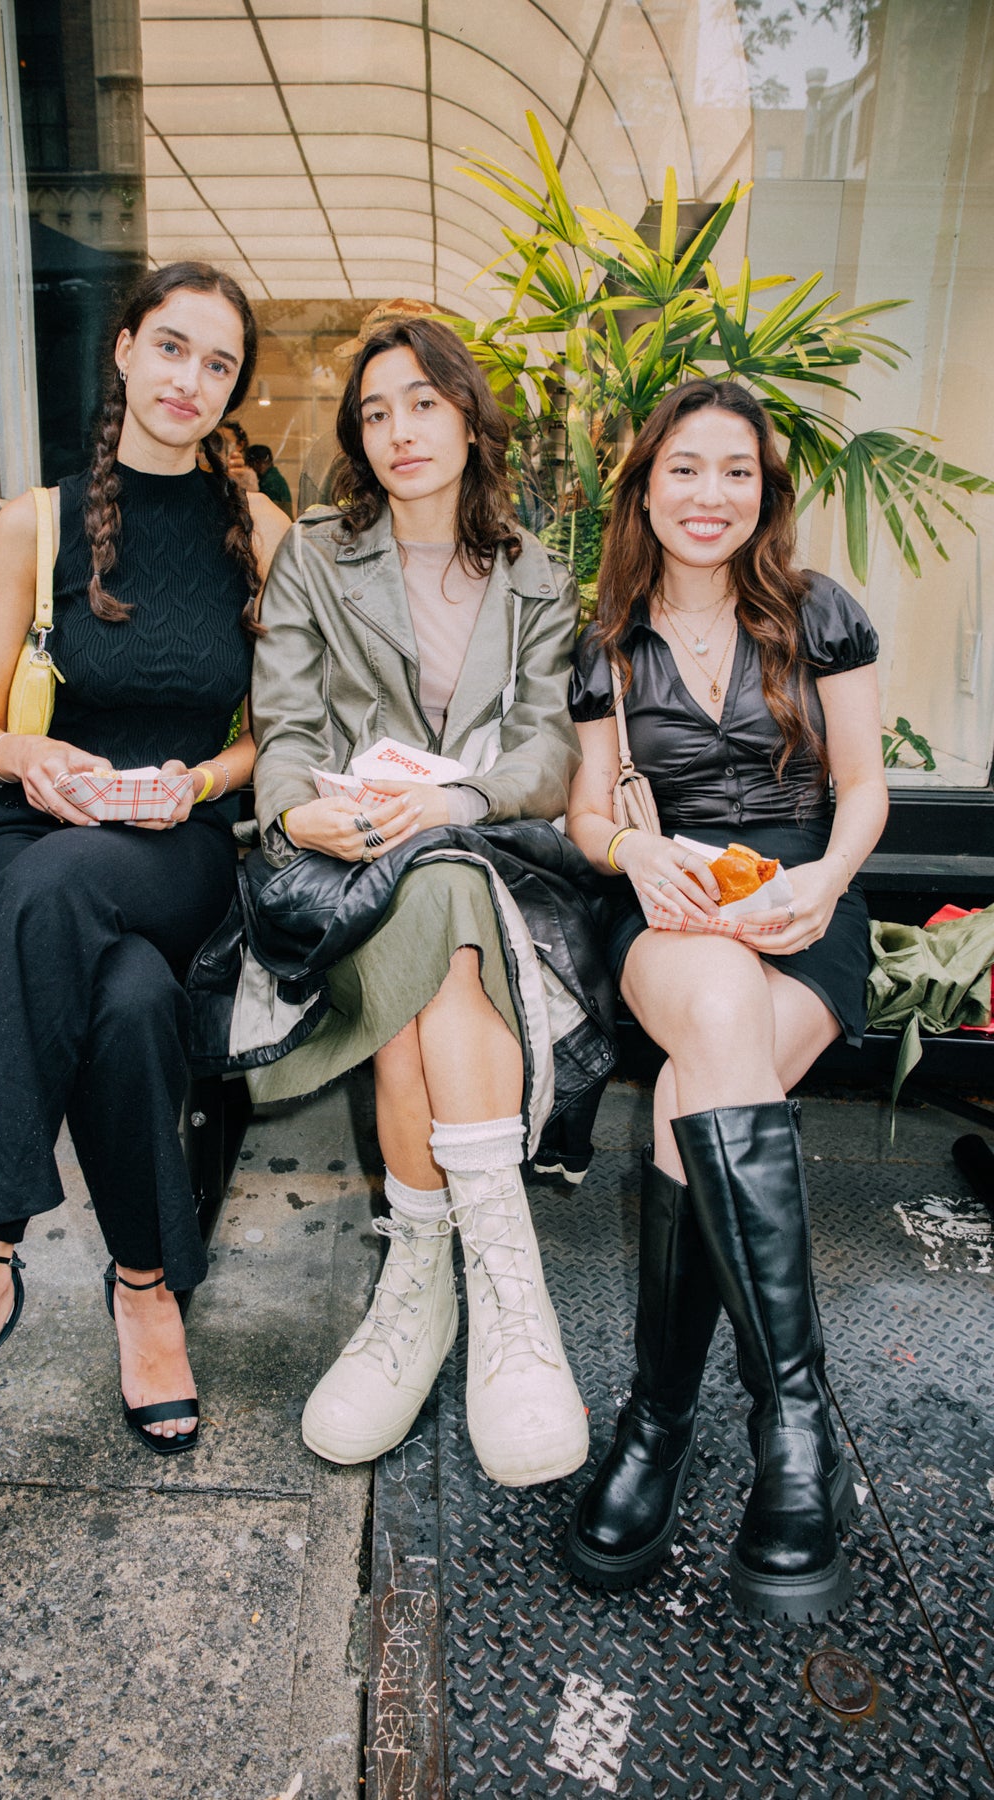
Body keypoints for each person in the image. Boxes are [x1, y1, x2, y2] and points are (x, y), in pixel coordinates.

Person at [0, 261, 289, 1474]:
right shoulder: (35, 522)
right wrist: (33, 757)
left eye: (219, 364)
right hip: (35, 832)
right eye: (172, 347)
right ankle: (145, 1286)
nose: (190, 379)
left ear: (233, 390)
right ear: (126, 351)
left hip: (175, 850)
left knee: (68, 903)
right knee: (130, 1002)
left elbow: (282, 738)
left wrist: (198, 781)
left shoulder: (261, 533)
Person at [242, 316, 611, 1488]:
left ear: (467, 417)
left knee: (444, 889)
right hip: (349, 863)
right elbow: (284, 724)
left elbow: (549, 752)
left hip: (496, 858)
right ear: (358, 437)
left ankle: (428, 1288)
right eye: (375, 412)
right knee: (426, 917)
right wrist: (295, 811)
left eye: (423, 403)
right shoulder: (317, 557)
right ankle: (505, 1293)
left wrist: (458, 800)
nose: (399, 430)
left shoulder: (534, 573)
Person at [564, 378, 888, 1621]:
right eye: (686, 470)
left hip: (803, 902)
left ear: (767, 491)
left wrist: (825, 882)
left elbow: (864, 785)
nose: (711, 495)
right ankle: (795, 1424)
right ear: (646, 487)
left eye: (737, 472)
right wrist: (635, 853)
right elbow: (588, 812)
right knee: (709, 1008)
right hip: (669, 908)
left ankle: (658, 1421)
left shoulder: (821, 614)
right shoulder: (607, 642)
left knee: (685, 1104)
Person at [244, 443, 292, 517]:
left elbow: (263, 512)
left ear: (256, 463)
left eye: (249, 465)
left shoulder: (269, 482)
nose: (249, 468)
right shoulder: (273, 477)